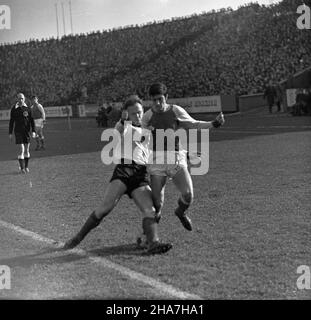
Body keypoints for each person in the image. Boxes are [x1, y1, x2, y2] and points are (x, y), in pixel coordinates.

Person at [63, 95, 172, 255]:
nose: (138, 116)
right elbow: (117, 132)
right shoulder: (124, 126)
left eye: (140, 112)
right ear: (126, 114)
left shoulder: (148, 131)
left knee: (150, 210)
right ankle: (77, 238)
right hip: (124, 171)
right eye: (134, 113)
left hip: (140, 175)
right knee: (104, 209)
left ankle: (152, 243)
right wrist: (122, 120)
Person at [142, 83, 225, 231]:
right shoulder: (147, 117)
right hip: (156, 161)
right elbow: (140, 140)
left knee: (188, 194)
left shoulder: (175, 110)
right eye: (154, 100)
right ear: (151, 100)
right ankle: (149, 236)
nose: (158, 103)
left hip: (176, 158)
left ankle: (180, 212)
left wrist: (213, 124)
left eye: (160, 99)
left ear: (166, 97)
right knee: (157, 204)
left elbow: (193, 124)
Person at [9, 93, 36, 173]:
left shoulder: (28, 108)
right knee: (22, 149)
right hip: (18, 132)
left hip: (26, 132)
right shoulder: (14, 109)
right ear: (17, 99)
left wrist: (33, 131)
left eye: (22, 98)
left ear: (24, 99)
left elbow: (32, 121)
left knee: (27, 150)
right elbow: (11, 121)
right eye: (19, 98)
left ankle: (26, 167)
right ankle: (22, 168)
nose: (21, 100)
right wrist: (10, 133)